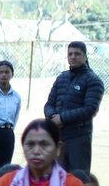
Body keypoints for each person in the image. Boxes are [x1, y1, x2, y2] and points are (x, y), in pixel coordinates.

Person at [44, 41, 104, 172]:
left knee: (78, 177)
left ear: (85, 57)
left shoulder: (93, 80)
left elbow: (90, 109)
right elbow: (49, 104)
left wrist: (62, 118)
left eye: (77, 54)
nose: (73, 57)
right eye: (70, 54)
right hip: (57, 136)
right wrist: (52, 117)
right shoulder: (61, 78)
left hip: (78, 137)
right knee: (56, 176)